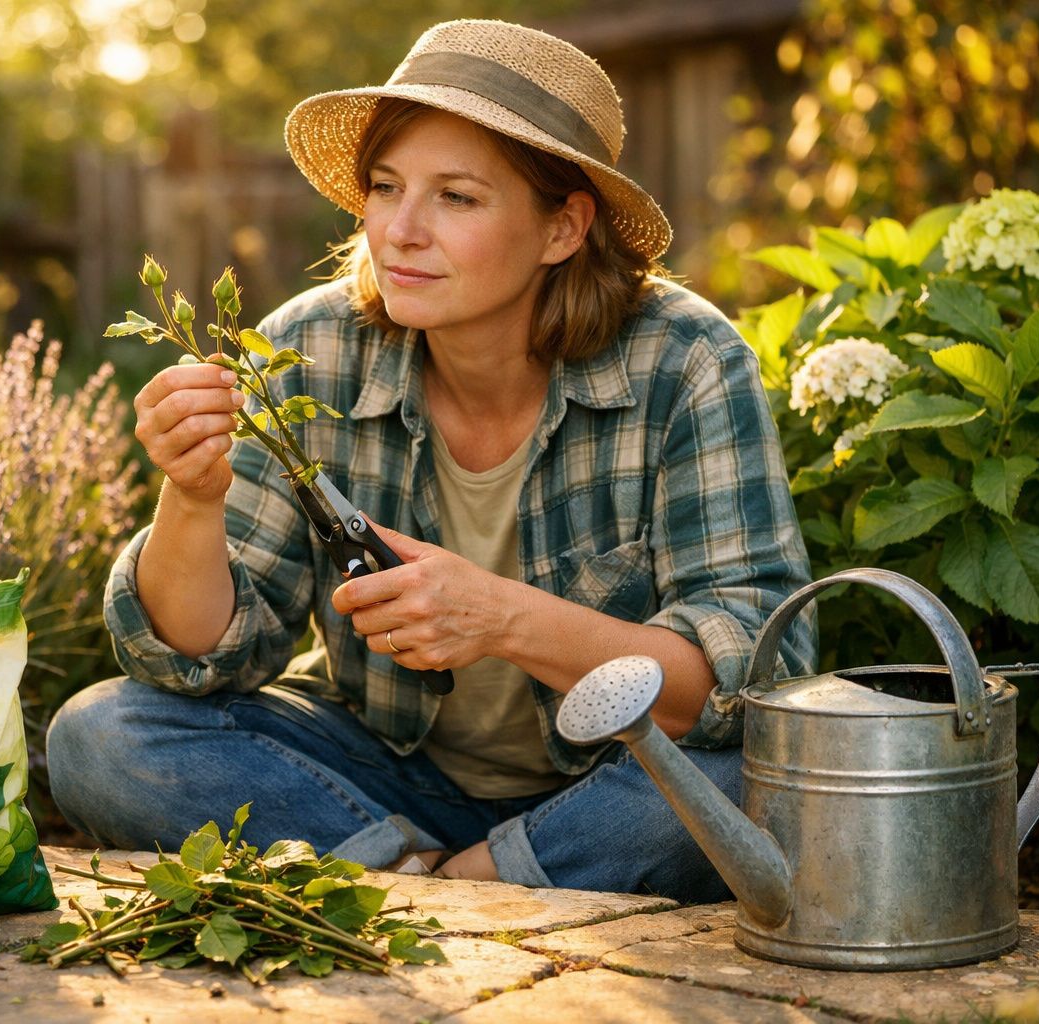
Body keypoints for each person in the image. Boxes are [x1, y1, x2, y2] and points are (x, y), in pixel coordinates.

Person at [48, 19, 814, 900]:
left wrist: (501, 619)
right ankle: (442, 875)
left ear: (562, 227)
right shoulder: (309, 351)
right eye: (385, 187)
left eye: (456, 197)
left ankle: (439, 881)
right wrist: (191, 495)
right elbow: (199, 660)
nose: (400, 231)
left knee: (743, 783)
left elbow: (751, 680)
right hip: (386, 774)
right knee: (102, 734)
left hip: (612, 783)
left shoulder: (684, 361)